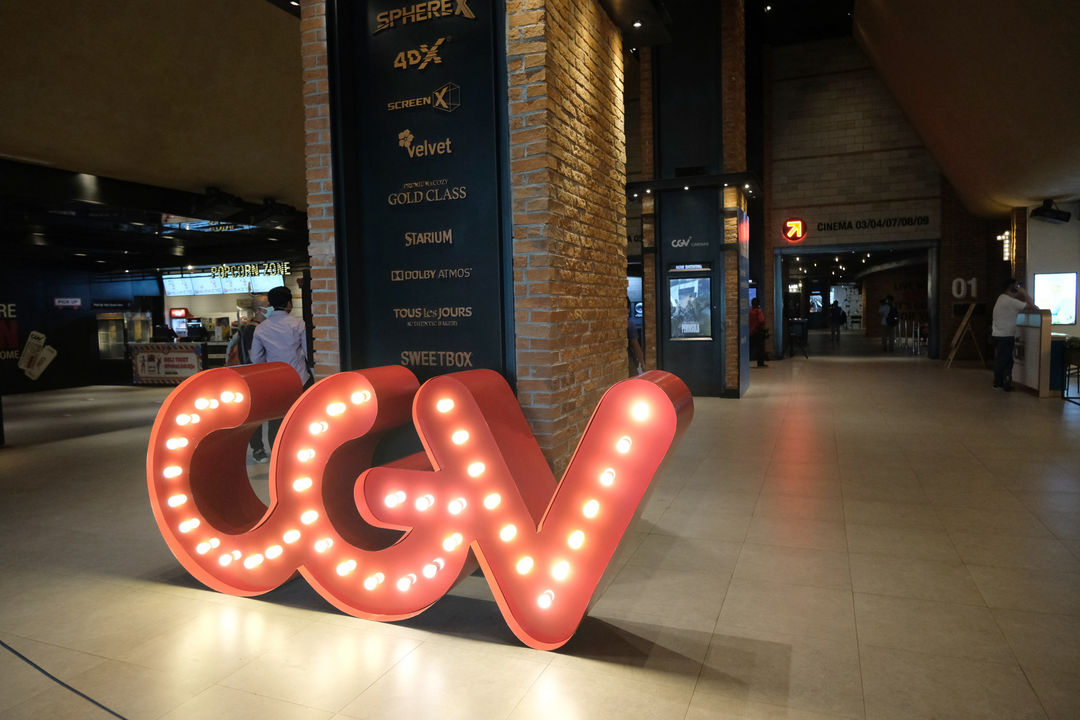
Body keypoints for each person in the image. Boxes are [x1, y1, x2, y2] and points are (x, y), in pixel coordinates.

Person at [251, 286, 311, 449]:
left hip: (275, 382)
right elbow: (308, 353)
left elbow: (255, 358)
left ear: (271, 304)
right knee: (299, 418)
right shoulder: (298, 324)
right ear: (289, 303)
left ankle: (276, 455)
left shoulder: (261, 328)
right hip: (300, 379)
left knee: (276, 420)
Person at [225, 295, 270, 461]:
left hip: (259, 376)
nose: (271, 307)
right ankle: (257, 449)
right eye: (268, 305)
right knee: (256, 416)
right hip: (253, 377)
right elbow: (254, 356)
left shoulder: (259, 327)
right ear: (259, 309)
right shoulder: (252, 329)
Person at [991, 278, 1037, 391]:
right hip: (1005, 336)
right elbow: (1033, 306)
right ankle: (998, 383)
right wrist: (1024, 293)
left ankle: (1003, 383)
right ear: (1012, 287)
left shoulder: (1001, 298)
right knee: (1004, 360)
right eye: (1017, 286)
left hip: (1000, 335)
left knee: (1005, 360)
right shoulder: (1009, 301)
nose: (1019, 288)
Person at [749, 297, 768, 367]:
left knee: (750, 348)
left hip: (751, 332)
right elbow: (761, 320)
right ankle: (760, 363)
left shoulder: (750, 311)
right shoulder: (758, 311)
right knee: (760, 348)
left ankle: (744, 361)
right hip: (758, 331)